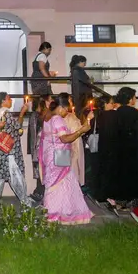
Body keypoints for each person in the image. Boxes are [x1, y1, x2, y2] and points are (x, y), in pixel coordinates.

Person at [39, 94, 93, 225]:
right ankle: (54, 212)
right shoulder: (57, 119)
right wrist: (82, 130)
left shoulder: (47, 116)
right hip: (59, 154)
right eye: (66, 109)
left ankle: (63, 210)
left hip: (51, 154)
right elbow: (64, 138)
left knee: (64, 183)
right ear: (61, 107)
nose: (66, 113)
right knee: (58, 184)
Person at [0, 92, 31, 207]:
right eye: (9, 98)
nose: (11, 100)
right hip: (8, 151)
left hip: (0, 151)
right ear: (3, 101)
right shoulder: (5, 113)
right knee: (16, 176)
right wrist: (22, 113)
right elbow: (17, 128)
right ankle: (25, 201)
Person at [113, 87, 138, 210]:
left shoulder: (117, 112)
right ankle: (133, 200)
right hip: (132, 147)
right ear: (130, 99)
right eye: (134, 97)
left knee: (121, 173)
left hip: (119, 146)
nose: (135, 99)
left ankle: (121, 200)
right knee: (133, 173)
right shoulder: (134, 113)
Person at [26, 95, 49, 202]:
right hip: (39, 147)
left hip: (44, 147)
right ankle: (39, 192)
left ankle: (41, 192)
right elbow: (34, 135)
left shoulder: (45, 115)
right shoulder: (35, 116)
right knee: (40, 171)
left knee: (44, 171)